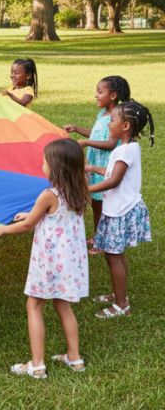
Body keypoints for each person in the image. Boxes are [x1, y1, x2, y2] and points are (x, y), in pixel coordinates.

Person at [0, 138, 90, 378]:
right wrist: (33, 213)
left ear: (55, 167)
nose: (42, 164)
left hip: (49, 262)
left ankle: (36, 365)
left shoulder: (48, 194)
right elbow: (56, 214)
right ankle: (75, 359)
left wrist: (3, 230)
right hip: (69, 262)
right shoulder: (80, 187)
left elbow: (27, 226)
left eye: (45, 161)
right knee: (63, 305)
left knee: (34, 305)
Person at [86, 100, 154, 319]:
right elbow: (111, 171)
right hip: (118, 208)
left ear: (125, 126)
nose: (108, 124)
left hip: (120, 210)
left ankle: (122, 304)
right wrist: (92, 167)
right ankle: (118, 293)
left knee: (113, 256)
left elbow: (113, 181)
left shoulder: (124, 151)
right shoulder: (127, 148)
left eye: (112, 120)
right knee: (115, 253)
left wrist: (86, 188)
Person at [63, 76, 130, 252]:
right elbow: (94, 133)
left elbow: (110, 143)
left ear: (113, 95)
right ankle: (98, 236)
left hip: (104, 167)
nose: (96, 95)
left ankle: (102, 242)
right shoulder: (102, 114)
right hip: (94, 163)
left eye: (100, 92)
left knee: (103, 205)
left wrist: (86, 143)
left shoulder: (117, 117)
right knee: (96, 204)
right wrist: (77, 128)